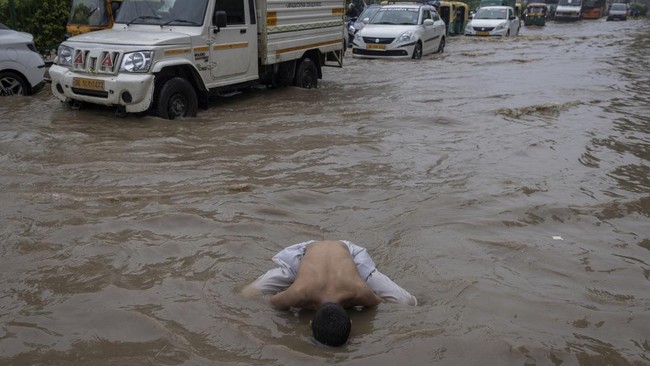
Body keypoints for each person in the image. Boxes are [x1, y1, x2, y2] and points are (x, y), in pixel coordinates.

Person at [242, 240, 417, 347]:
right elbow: (376, 302)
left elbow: (272, 302)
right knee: (249, 293)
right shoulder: (299, 293)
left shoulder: (358, 291)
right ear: (350, 320)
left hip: (346, 253)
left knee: (408, 302)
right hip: (308, 252)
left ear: (310, 322)